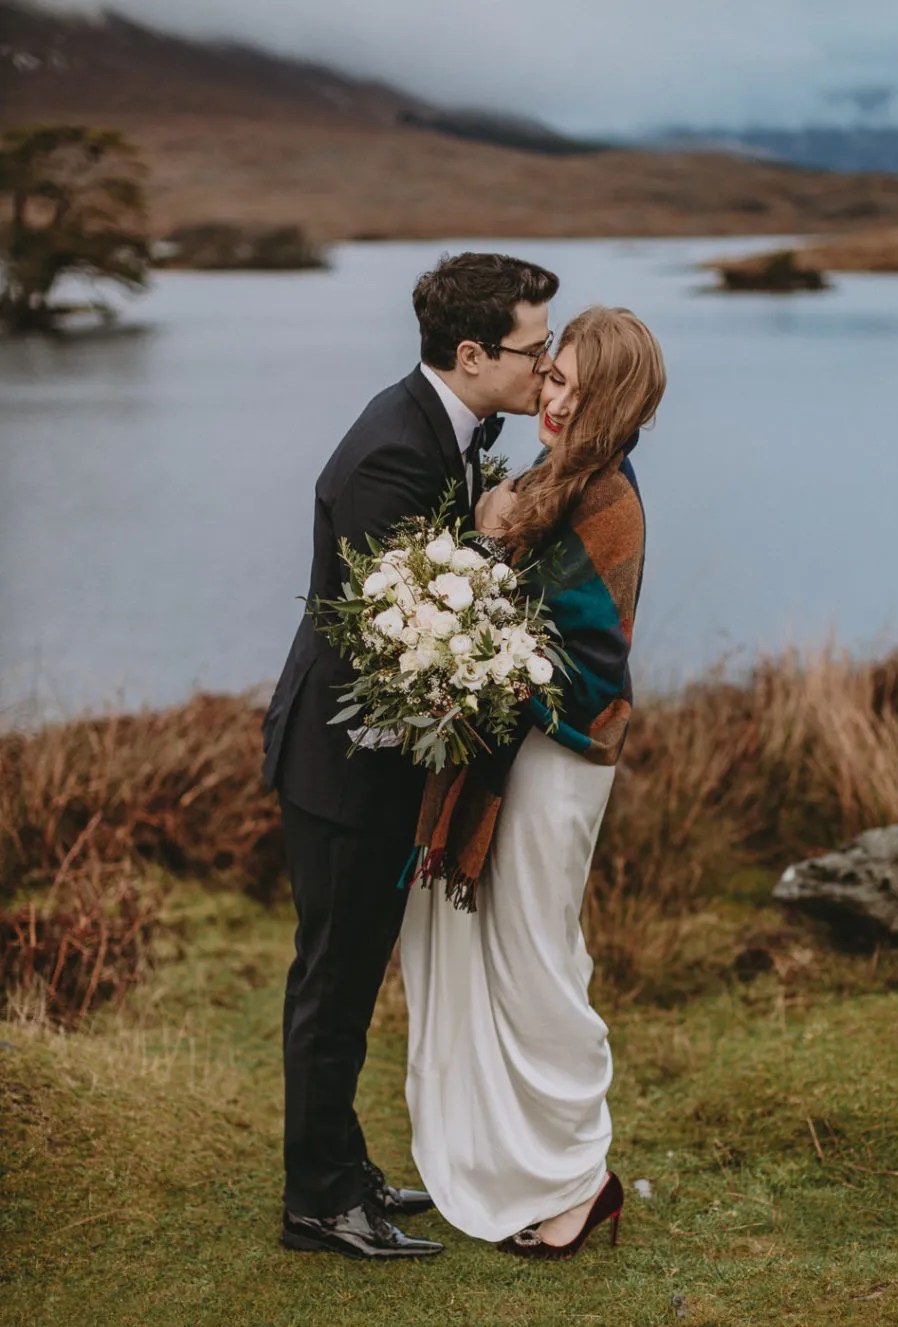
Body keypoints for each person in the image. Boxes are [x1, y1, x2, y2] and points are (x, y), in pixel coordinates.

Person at [261, 251, 560, 1259]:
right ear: (472, 354)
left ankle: (345, 1171)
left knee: (349, 972)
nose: (548, 366)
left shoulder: (452, 426)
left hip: (378, 759)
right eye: (536, 348)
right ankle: (317, 1204)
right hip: (344, 762)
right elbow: (407, 621)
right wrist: (482, 549)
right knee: (333, 982)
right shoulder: (394, 451)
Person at [401, 305, 666, 1258]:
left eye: (572, 389)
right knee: (505, 953)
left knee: (541, 960)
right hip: (518, 750)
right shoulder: (551, 481)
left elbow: (595, 663)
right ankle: (516, 1162)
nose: (551, 399)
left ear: (613, 399)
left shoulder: (609, 501)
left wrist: (496, 656)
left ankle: (581, 1178)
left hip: (561, 762)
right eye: (551, 379)